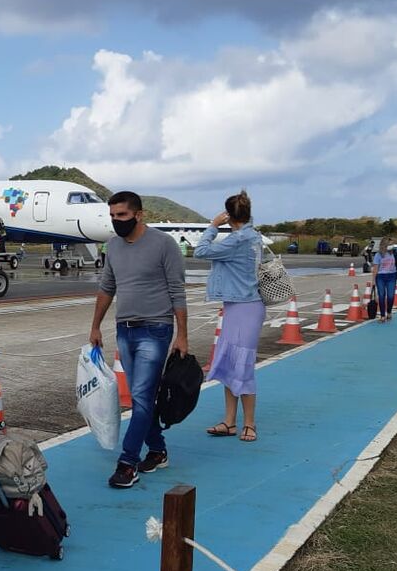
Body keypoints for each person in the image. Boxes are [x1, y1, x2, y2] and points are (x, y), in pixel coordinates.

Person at [89, 191, 188, 489]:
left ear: (139, 214)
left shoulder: (163, 244)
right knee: (140, 398)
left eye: (122, 215)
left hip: (156, 330)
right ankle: (157, 450)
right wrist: (95, 326)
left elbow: (177, 291)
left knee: (143, 397)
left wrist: (182, 335)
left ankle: (128, 462)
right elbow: (107, 286)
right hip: (125, 330)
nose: (117, 221)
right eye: (113, 216)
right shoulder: (114, 246)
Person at [195, 192, 265, 442]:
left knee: (242, 364)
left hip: (244, 306)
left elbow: (200, 251)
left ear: (229, 215)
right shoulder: (253, 235)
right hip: (239, 304)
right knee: (228, 363)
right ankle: (230, 421)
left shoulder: (237, 240)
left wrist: (213, 227)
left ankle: (248, 423)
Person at [370, 238, 397, 323]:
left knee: (390, 296)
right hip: (381, 276)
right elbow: (375, 268)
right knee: (381, 295)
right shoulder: (378, 255)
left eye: (392, 244)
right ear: (384, 245)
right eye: (390, 244)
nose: (391, 246)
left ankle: (389, 311)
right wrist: (373, 280)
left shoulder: (394, 252)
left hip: (392, 275)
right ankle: (382, 315)